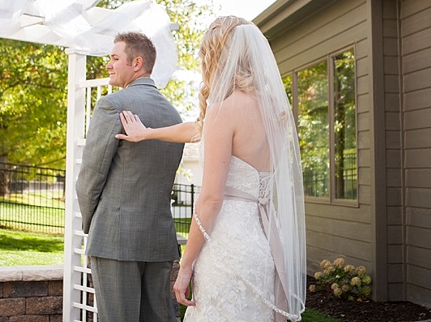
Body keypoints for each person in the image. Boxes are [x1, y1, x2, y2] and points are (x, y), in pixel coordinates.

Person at [116, 16, 306, 321]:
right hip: (263, 243)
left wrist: (186, 264)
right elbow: (200, 128)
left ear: (216, 56)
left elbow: (210, 199)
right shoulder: (275, 109)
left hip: (226, 246)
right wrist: (148, 132)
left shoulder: (224, 110)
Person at [75, 32, 185, 322]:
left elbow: (89, 178)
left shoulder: (112, 105)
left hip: (115, 239)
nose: (108, 65)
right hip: (159, 240)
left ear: (136, 63)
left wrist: (93, 225)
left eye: (114, 58)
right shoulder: (174, 116)